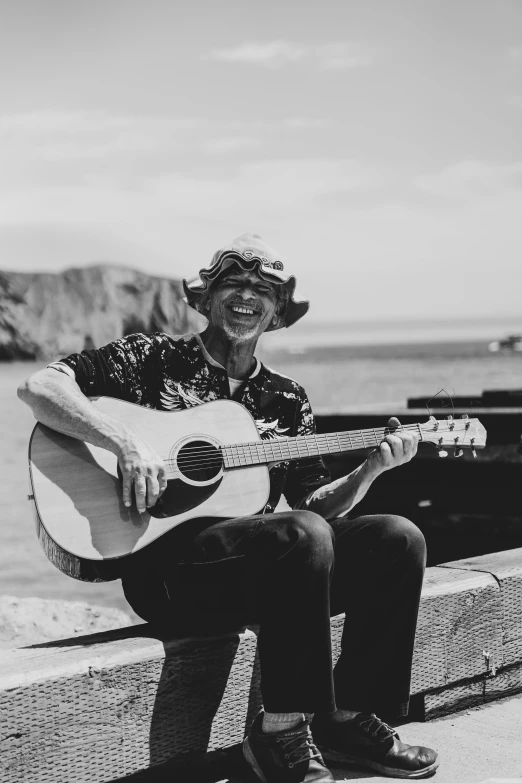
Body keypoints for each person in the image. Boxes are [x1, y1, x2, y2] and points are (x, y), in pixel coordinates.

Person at [18, 233, 438, 782]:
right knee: (302, 534)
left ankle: (348, 718)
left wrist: (370, 471)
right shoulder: (150, 360)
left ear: (277, 310)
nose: (247, 296)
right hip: (169, 574)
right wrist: (124, 442)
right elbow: (40, 386)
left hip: (266, 571)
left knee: (397, 537)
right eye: (234, 284)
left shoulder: (287, 399)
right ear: (206, 298)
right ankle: (279, 734)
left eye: (263, 289)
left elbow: (315, 507)